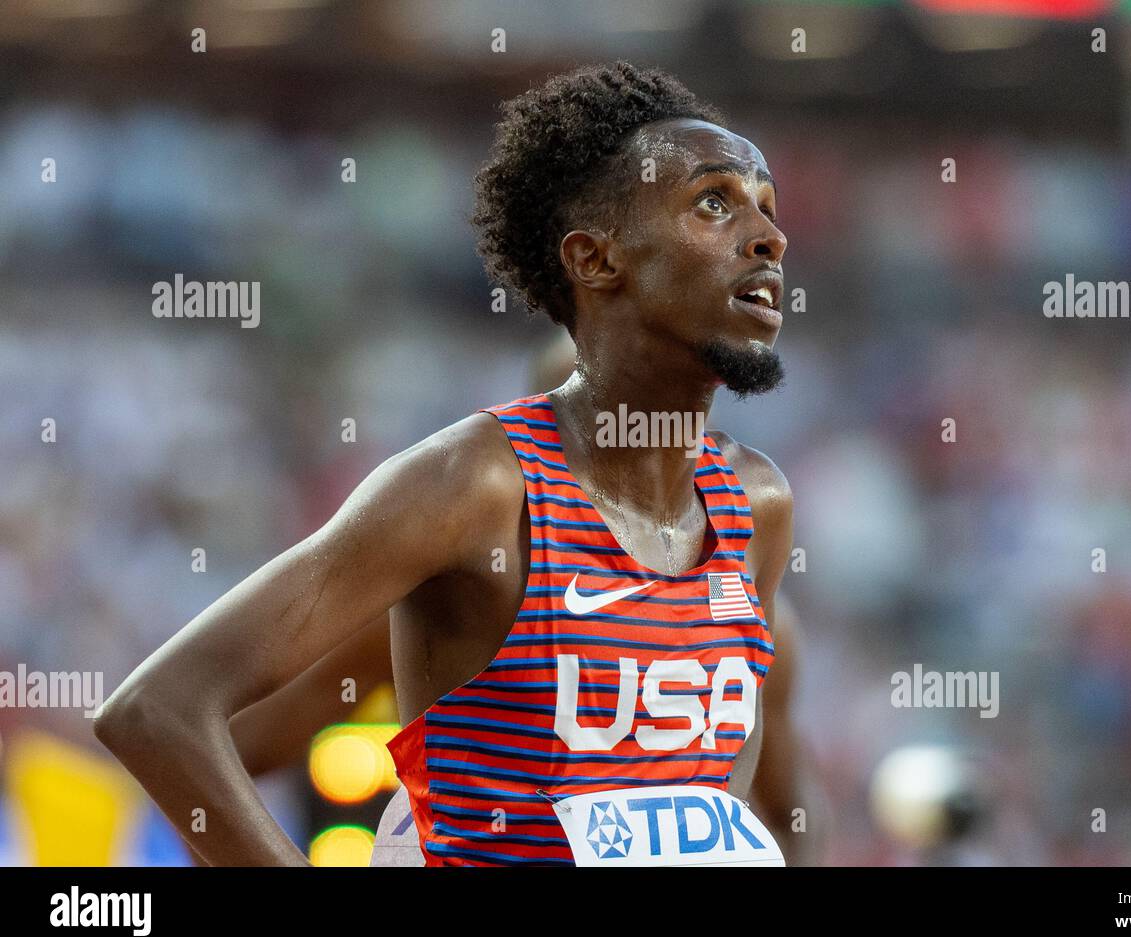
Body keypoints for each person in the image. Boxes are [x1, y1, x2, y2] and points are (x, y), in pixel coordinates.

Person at [96, 60, 793, 866]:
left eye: (768, 209)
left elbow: (717, 803)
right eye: (716, 202)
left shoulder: (757, 504)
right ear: (596, 259)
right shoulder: (474, 487)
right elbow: (157, 710)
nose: (769, 236)